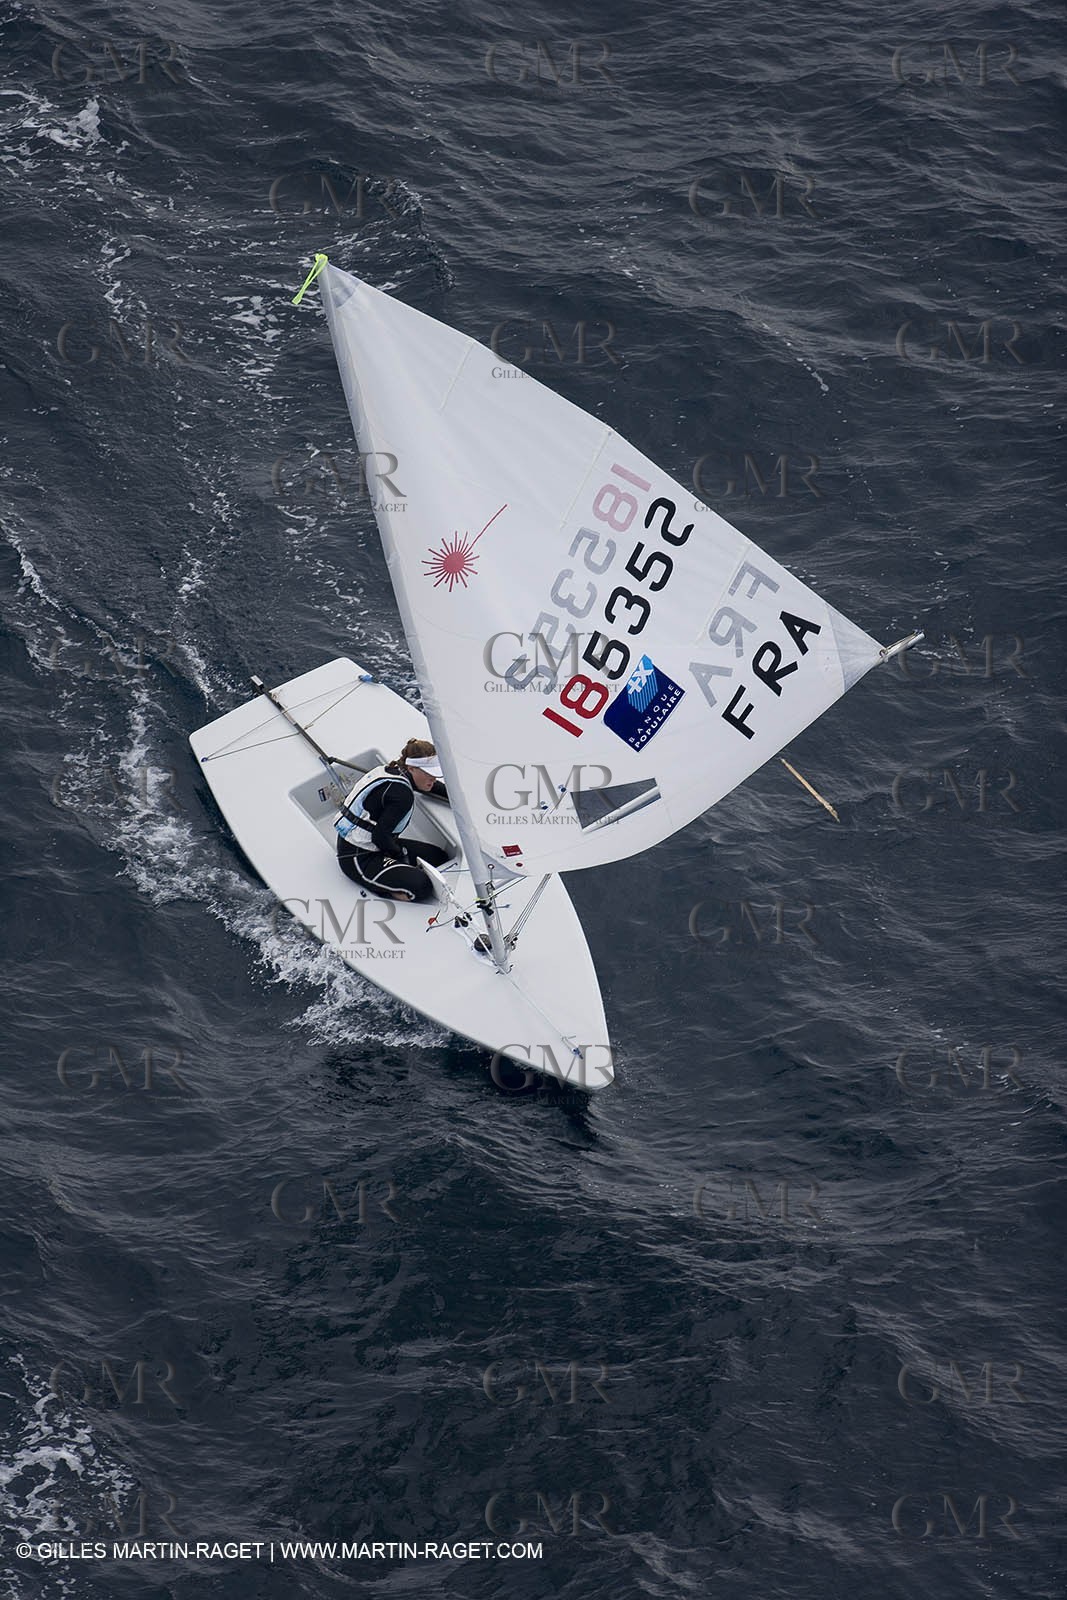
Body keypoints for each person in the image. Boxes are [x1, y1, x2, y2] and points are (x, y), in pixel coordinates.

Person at [335, 738, 453, 902]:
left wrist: (457, 798)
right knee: (422, 886)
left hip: (378, 844)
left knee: (439, 857)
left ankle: (397, 871)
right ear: (411, 768)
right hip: (359, 857)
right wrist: (401, 855)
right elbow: (379, 837)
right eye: (430, 773)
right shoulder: (401, 795)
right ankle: (385, 891)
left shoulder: (393, 769)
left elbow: (432, 786)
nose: (433, 778)